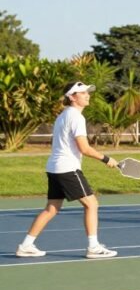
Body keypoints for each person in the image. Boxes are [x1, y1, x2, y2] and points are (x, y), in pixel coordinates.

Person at [15, 82, 119, 259]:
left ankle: (26, 245)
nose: (87, 95)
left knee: (51, 209)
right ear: (72, 97)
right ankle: (93, 248)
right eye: (82, 93)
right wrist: (106, 159)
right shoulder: (76, 118)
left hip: (54, 168)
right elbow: (84, 148)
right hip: (67, 169)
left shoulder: (63, 115)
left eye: (87, 92)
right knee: (91, 204)